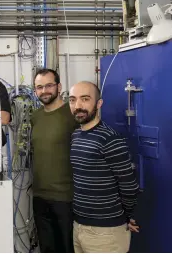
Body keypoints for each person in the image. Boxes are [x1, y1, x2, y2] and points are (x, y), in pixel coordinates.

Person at [69, 81, 139, 253]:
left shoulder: (110, 139)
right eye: (72, 100)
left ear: (99, 103)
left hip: (106, 233)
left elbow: (130, 186)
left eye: (85, 99)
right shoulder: (76, 136)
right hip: (79, 226)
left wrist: (123, 217)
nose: (78, 106)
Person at [31, 68, 77, 253]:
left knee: (68, 248)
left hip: (67, 198)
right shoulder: (35, 116)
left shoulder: (72, 114)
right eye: (39, 87)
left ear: (59, 86)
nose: (44, 91)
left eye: (49, 85)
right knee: (47, 248)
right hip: (40, 196)